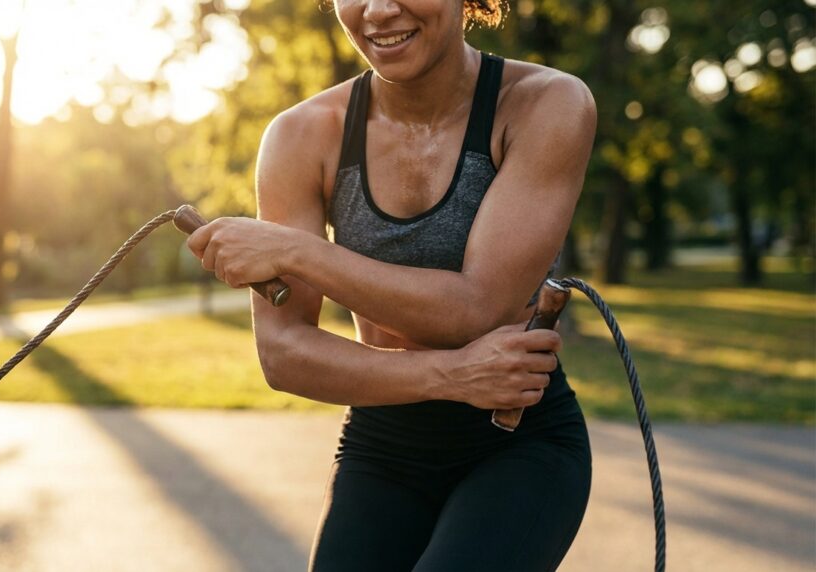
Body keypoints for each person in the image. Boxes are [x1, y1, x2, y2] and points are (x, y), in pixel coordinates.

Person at [186, 0, 597, 569]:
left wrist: (295, 250)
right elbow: (284, 355)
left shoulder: (545, 103)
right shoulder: (303, 135)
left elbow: (476, 307)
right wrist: (452, 375)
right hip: (381, 448)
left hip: (520, 445)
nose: (378, 9)